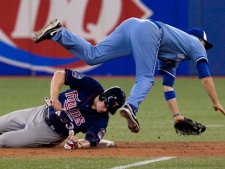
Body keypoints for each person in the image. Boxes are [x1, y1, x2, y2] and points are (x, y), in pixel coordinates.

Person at [33, 18, 225, 134]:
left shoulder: (174, 56)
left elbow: (168, 87)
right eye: (205, 44)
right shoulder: (194, 43)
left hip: (132, 25)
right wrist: (216, 102)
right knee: (146, 78)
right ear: (200, 40)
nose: (204, 48)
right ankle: (131, 107)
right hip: (149, 30)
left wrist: (177, 116)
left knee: (93, 56)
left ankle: (59, 32)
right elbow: (206, 78)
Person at [0, 69, 126, 148]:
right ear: (103, 96)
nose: (105, 110)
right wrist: (54, 98)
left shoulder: (101, 120)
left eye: (109, 109)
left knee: (3, 140)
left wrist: (79, 144)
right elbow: (59, 75)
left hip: (49, 133)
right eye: (105, 105)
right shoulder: (91, 85)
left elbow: (91, 139)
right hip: (38, 112)